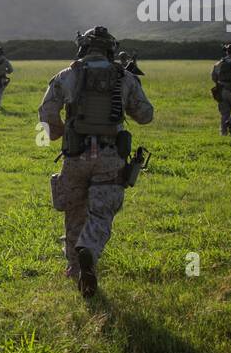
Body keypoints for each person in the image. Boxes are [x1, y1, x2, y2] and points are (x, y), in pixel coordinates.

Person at [38, 27, 154, 298]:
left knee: (74, 210)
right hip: (109, 157)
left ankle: (76, 268)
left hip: (75, 155)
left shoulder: (67, 75)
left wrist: (57, 132)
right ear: (110, 49)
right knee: (101, 212)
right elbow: (145, 115)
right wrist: (131, 87)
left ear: (83, 48)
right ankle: (88, 250)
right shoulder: (124, 77)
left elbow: (46, 111)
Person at [210, 43, 231, 136]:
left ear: (226, 52)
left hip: (221, 91)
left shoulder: (219, 63)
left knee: (224, 114)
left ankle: (223, 133)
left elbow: (213, 77)